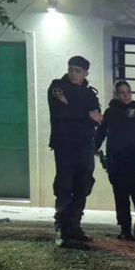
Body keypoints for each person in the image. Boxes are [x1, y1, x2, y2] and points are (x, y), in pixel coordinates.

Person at [47, 55, 102, 247]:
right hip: (65, 146)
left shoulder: (89, 93)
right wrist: (85, 114)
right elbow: (61, 114)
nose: (73, 73)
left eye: (77, 70)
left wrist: (81, 113)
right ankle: (62, 228)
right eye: (71, 69)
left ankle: (75, 226)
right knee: (64, 186)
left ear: (86, 72)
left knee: (83, 186)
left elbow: (97, 117)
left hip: (85, 146)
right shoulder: (58, 88)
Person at [94, 80, 135, 240]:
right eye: (121, 92)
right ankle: (125, 229)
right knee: (121, 197)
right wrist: (91, 149)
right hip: (117, 162)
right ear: (116, 94)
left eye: (128, 92)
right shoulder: (111, 113)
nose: (125, 95)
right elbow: (100, 134)